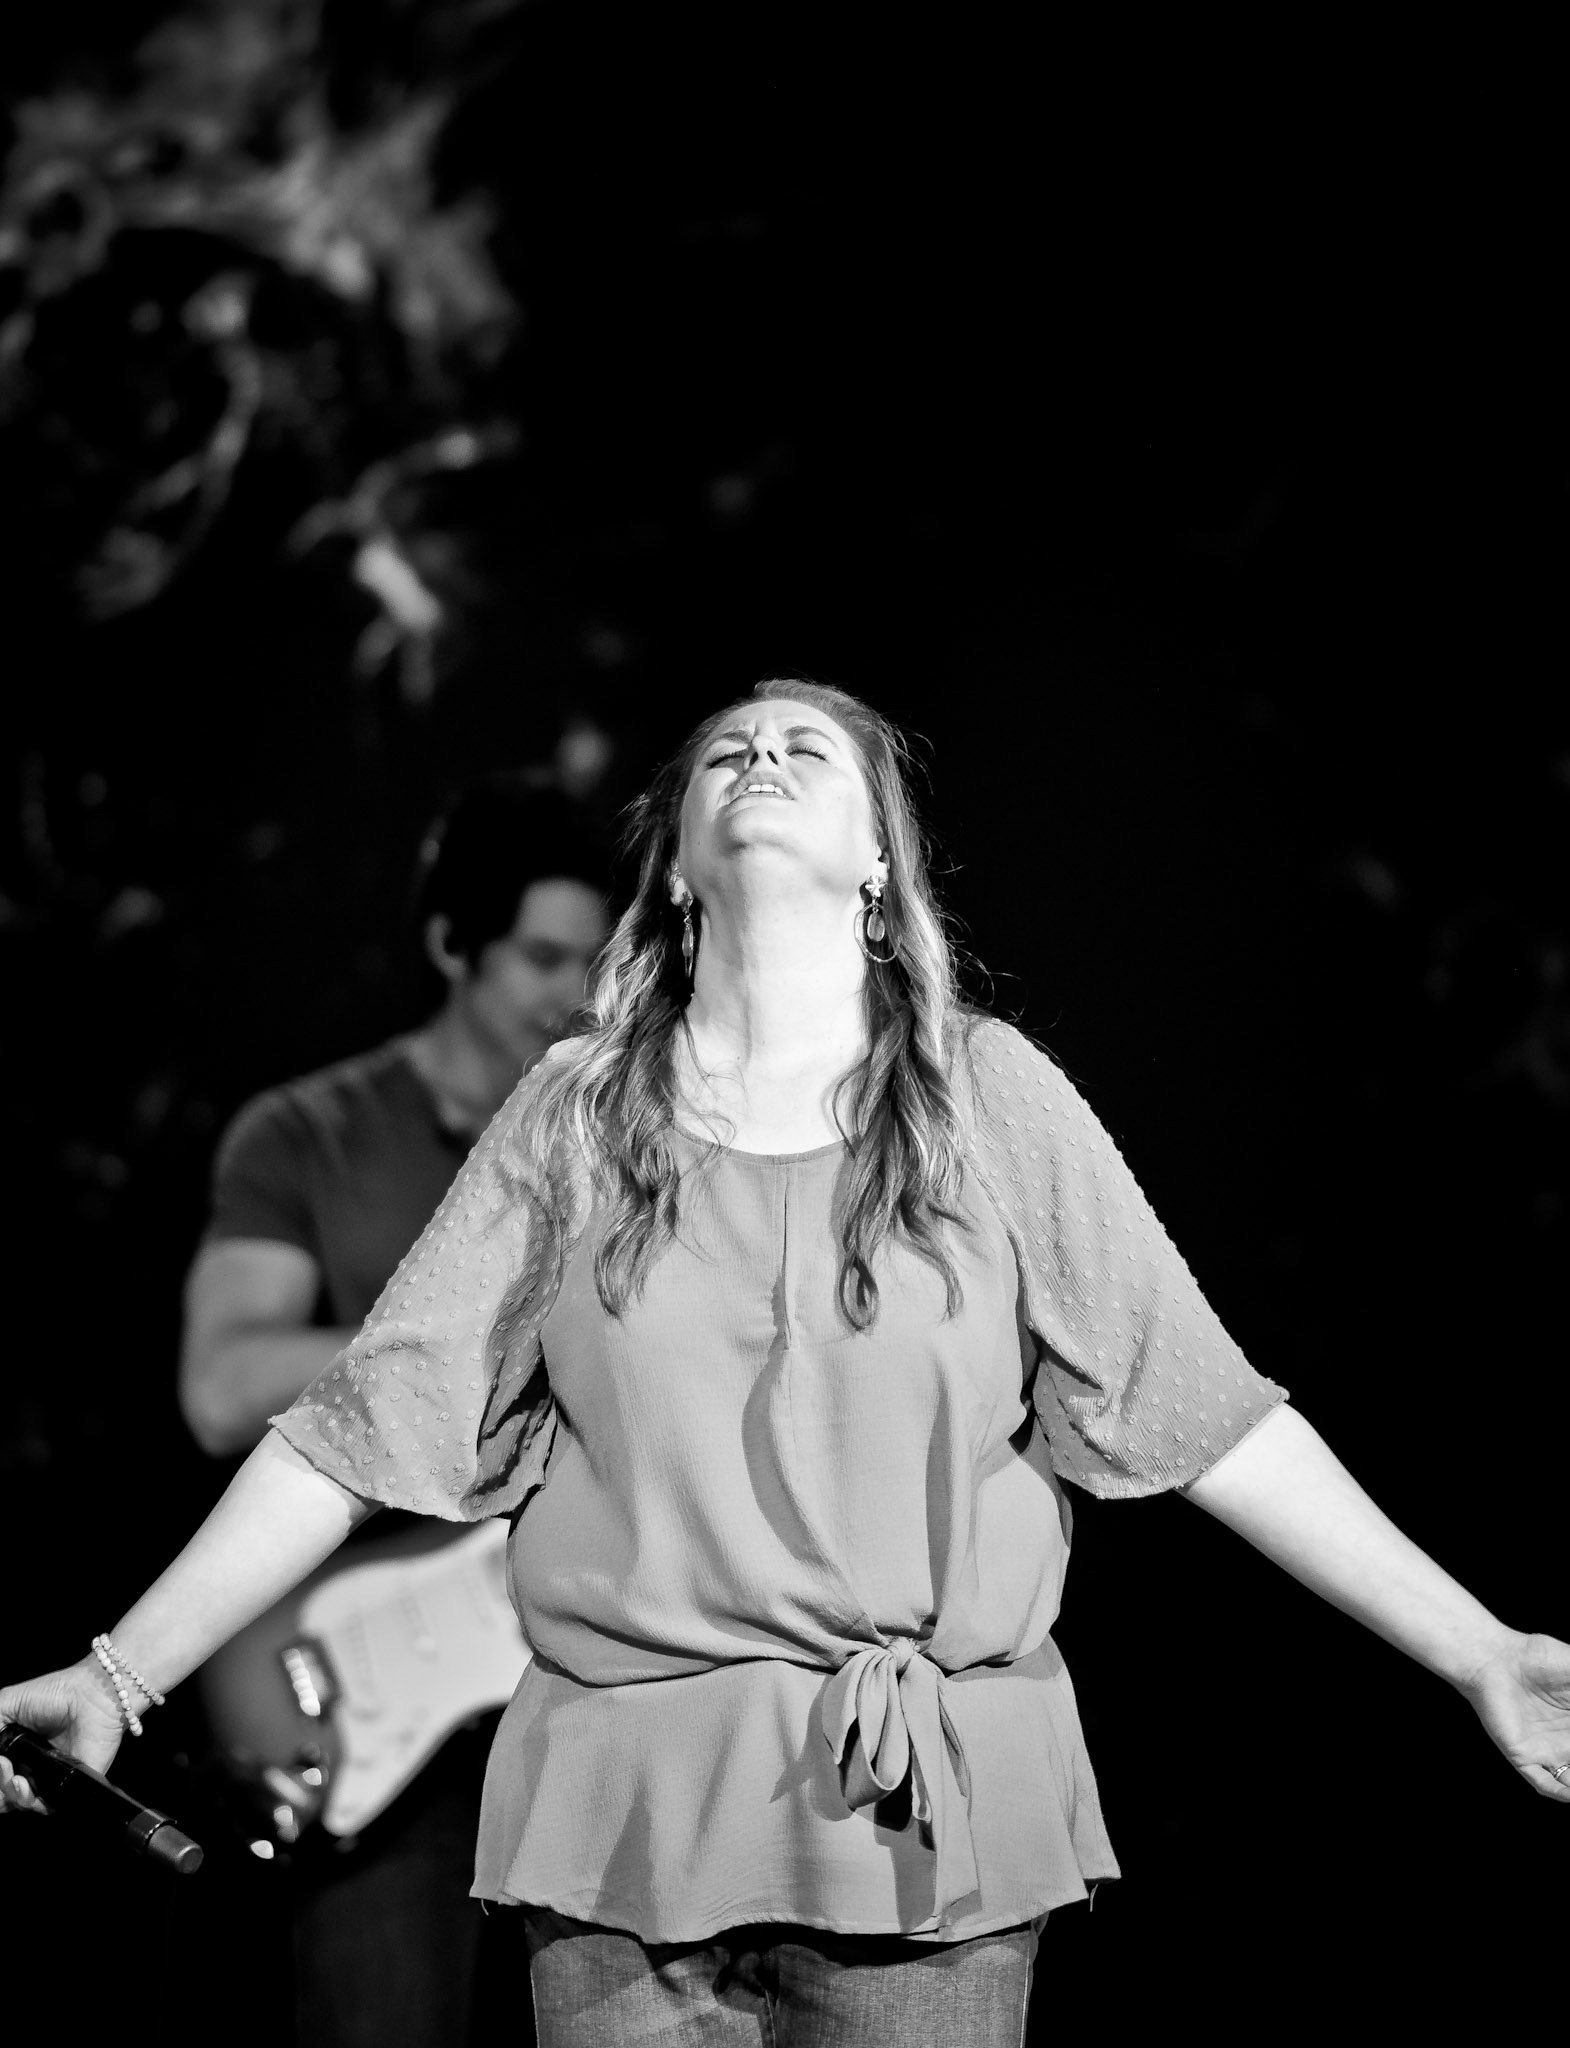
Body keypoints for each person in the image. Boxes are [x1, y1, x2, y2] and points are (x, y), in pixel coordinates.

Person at [4, 681, 1568, 2048]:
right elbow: (362, 1426)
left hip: (914, 1815)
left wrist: (1480, 1652)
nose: (759, 755)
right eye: (725, 753)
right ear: (679, 867)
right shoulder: (575, 1112)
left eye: (807, 749)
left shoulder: (987, 1099)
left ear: (879, 863)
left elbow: (1206, 1416)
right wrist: (118, 1675)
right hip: (621, 1820)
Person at [177, 776, 612, 2048]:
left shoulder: (629, 1137)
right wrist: (452, 1338)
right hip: (382, 1682)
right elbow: (220, 1386)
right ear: (449, 944)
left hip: (595, 1679)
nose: (573, 991)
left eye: (595, 961)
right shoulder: (307, 1131)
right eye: (540, 957)